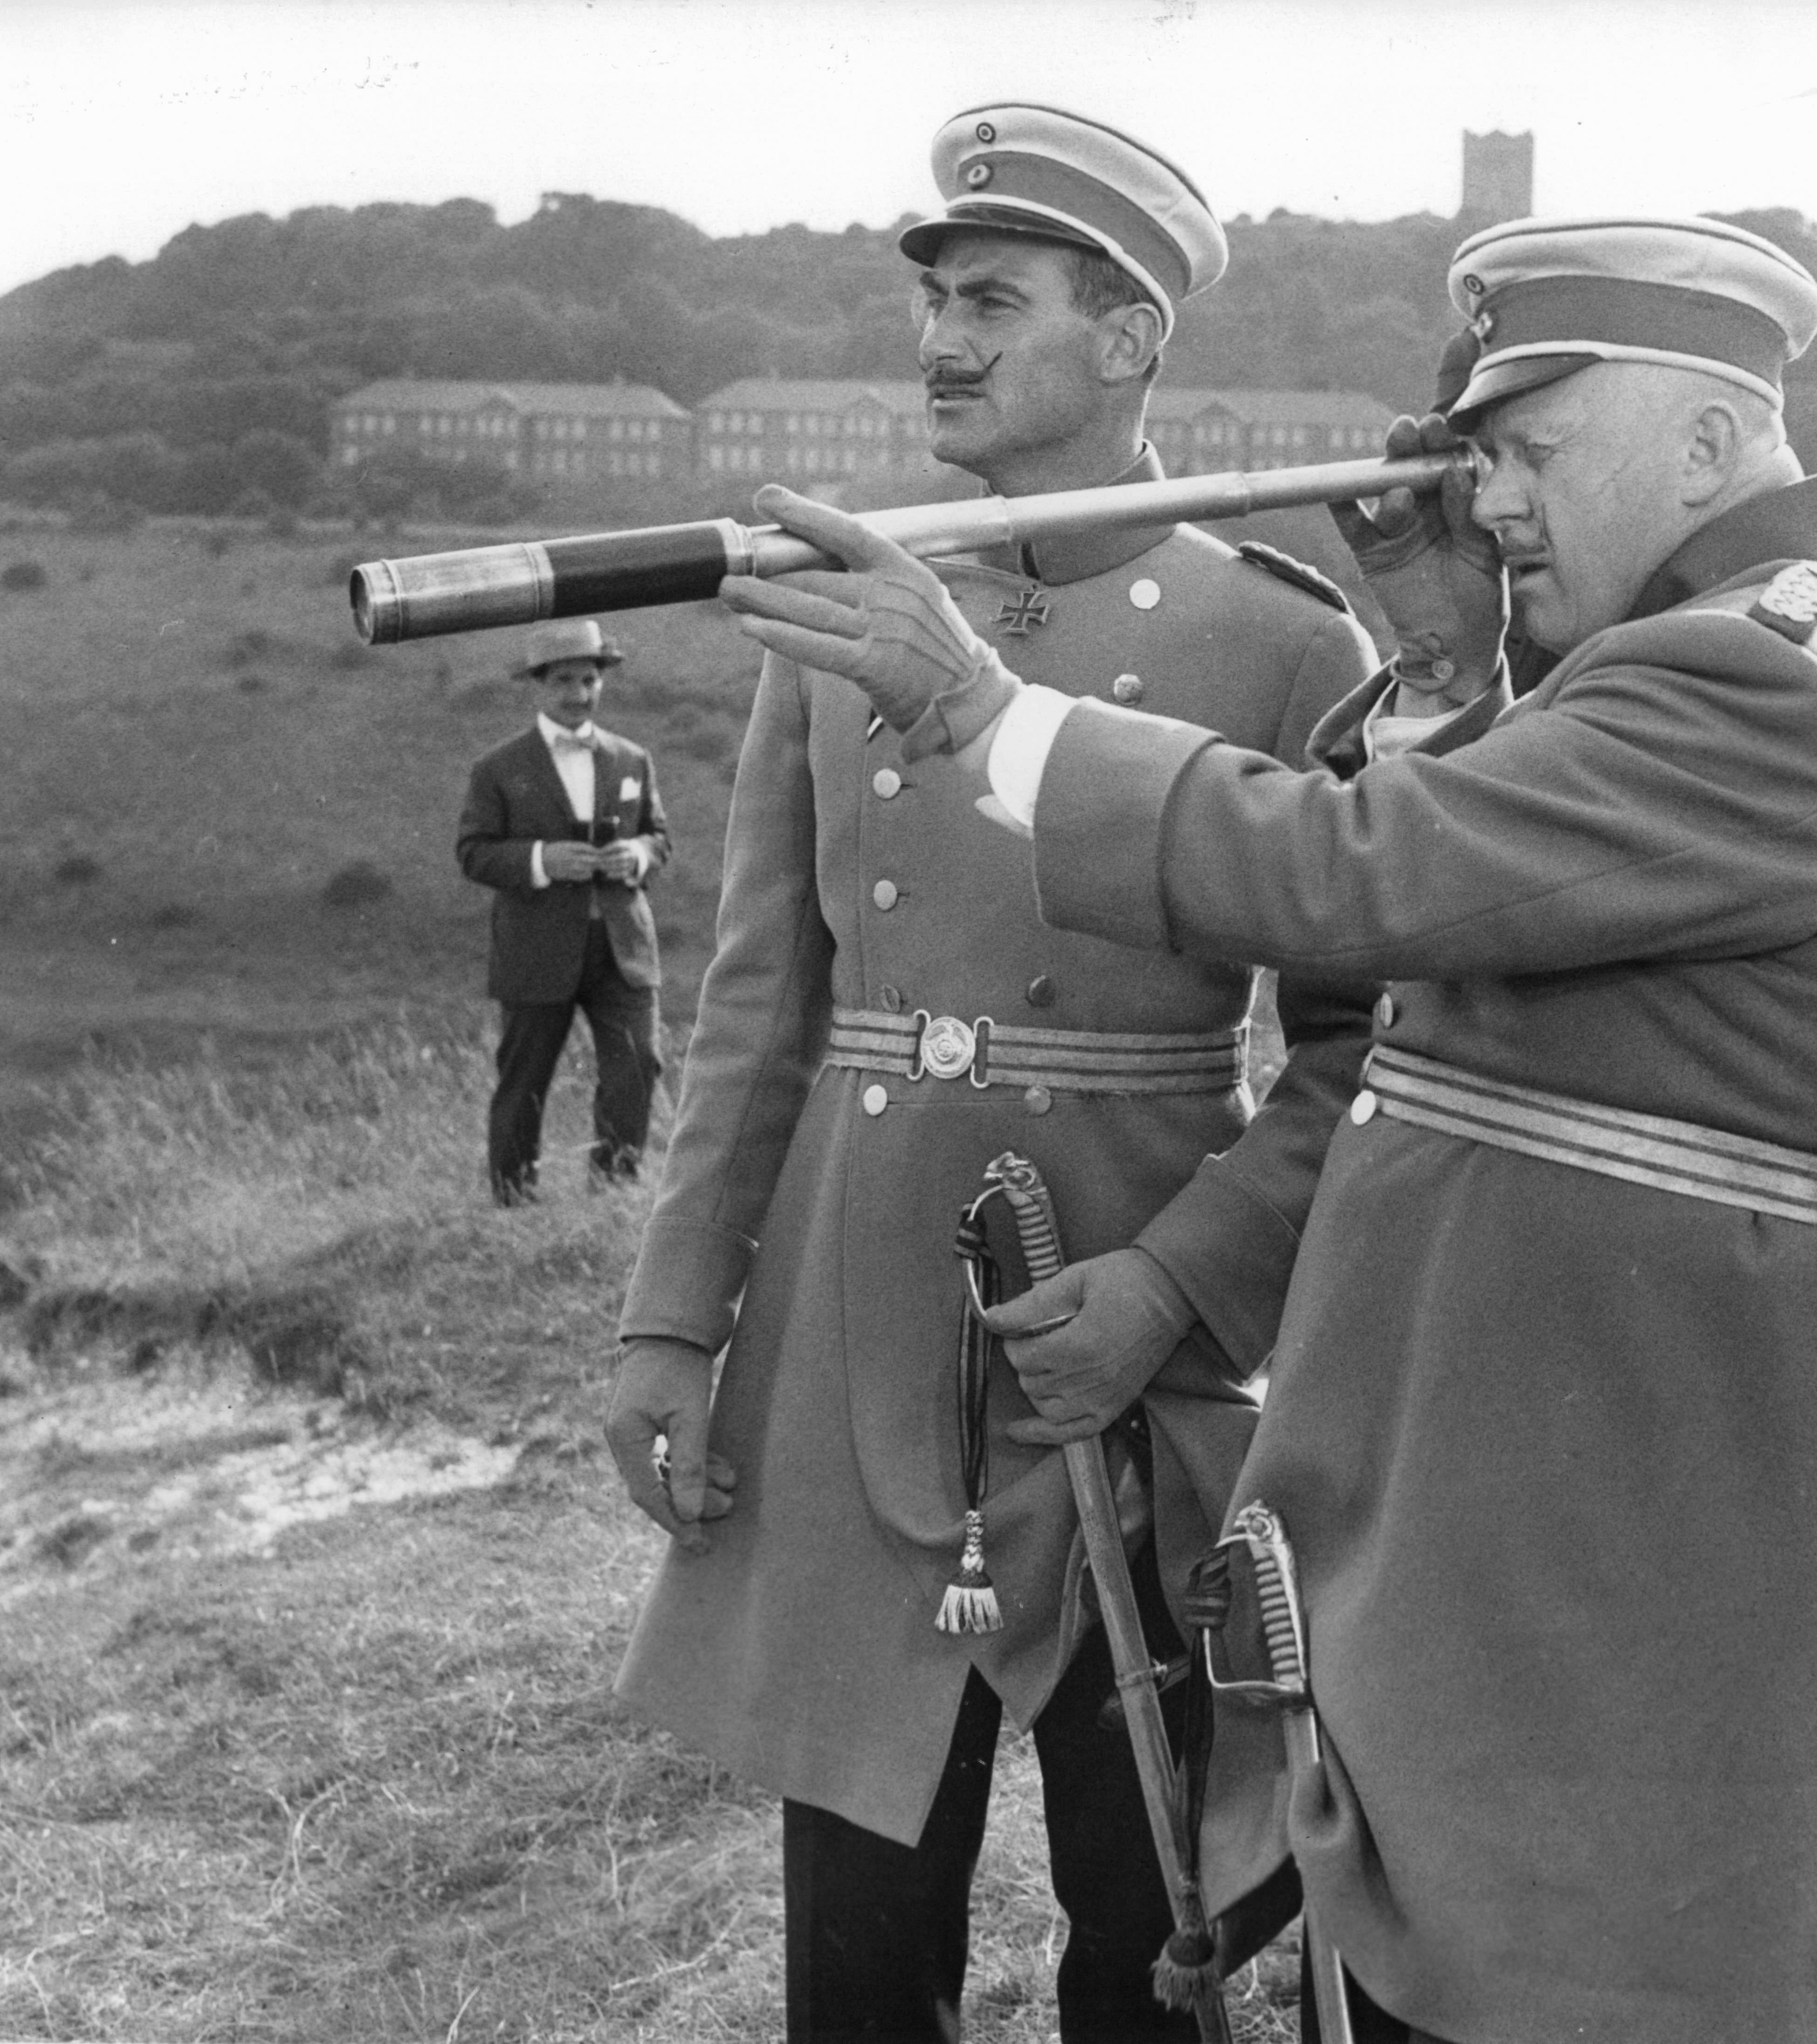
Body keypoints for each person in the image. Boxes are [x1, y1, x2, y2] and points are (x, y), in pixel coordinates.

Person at [718, 213, 1817, 2044]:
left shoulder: (1756, 676)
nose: (1484, 503)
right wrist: (1428, 660)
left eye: (1529, 455)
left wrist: (978, 710)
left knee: (1612, 1975)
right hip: (1585, 1501)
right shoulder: (1725, 655)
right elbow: (1505, 887)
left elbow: (1367, 882)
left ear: (1713, 444)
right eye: (1476, 457)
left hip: (1638, 1506)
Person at [602, 103, 1380, 2043]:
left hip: (1123, 1351)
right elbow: (754, 1003)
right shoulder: (841, 619)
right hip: (854, 1340)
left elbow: (1358, 1059)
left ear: (1126, 342)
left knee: (1156, 1939)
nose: (939, 341)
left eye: (993, 300)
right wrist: (667, 1323)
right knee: (855, 1958)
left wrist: (1177, 1289)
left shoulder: (1275, 638)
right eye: (936, 301)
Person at [456, 617, 669, 1201]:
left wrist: (637, 854)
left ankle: (614, 1194)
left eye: (589, 680)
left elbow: (660, 838)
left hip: (623, 947)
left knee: (638, 1065)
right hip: (536, 949)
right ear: (538, 686)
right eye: (564, 682)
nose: (579, 694)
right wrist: (543, 860)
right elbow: (472, 853)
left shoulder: (633, 759)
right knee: (525, 1080)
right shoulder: (497, 769)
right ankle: (513, 1203)